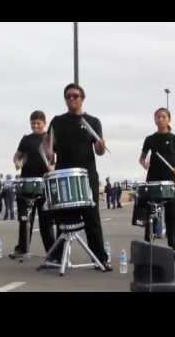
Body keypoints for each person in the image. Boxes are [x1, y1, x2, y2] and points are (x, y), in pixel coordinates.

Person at [44, 84, 112, 271]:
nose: (72, 99)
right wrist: (48, 153)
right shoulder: (57, 121)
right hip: (64, 174)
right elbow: (49, 148)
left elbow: (99, 152)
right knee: (63, 219)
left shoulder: (92, 121)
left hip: (87, 175)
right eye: (68, 96)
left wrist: (100, 145)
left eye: (75, 96)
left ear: (82, 98)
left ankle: (100, 258)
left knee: (92, 219)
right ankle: (59, 257)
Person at [139, 107, 175, 257]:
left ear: (169, 119)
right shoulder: (149, 139)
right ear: (154, 119)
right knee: (150, 215)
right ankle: (147, 248)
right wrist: (144, 163)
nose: (160, 119)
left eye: (163, 117)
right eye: (157, 117)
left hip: (170, 180)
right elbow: (141, 158)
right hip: (153, 179)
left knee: (172, 215)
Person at [10, 111, 56, 259]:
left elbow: (54, 160)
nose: (35, 126)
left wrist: (52, 168)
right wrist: (17, 162)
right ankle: (22, 248)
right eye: (33, 123)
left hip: (44, 182)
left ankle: (52, 251)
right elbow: (17, 156)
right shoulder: (26, 139)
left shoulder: (48, 139)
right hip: (26, 182)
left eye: (38, 123)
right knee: (25, 218)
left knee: (46, 220)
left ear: (44, 123)